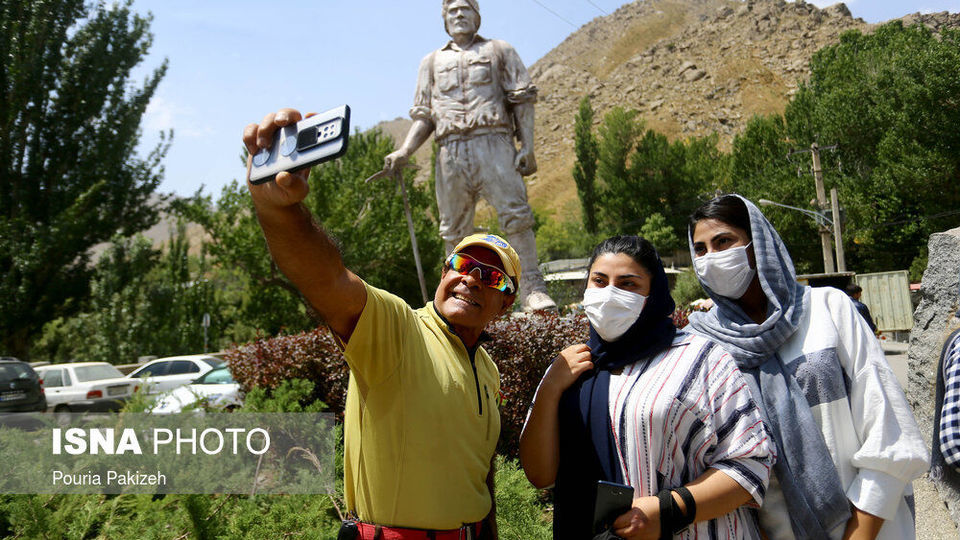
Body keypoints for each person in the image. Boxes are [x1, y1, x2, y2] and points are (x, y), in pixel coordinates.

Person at [243, 108, 522, 539]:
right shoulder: (398, 329)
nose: (470, 278)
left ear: (505, 305)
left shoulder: (487, 368)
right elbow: (329, 280)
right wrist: (279, 211)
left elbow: (478, 474)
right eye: (462, 263)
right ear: (445, 272)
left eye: (491, 276)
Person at [686, 194, 929, 539]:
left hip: (870, 528)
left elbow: (890, 433)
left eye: (723, 241)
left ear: (759, 245)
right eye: (700, 249)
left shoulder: (829, 309)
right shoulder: (703, 344)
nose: (711, 258)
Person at [519, 235, 774, 539]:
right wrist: (550, 388)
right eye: (599, 281)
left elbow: (751, 464)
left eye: (628, 284)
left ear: (653, 294)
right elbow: (540, 474)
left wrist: (668, 511)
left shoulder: (702, 359)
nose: (610, 293)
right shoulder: (570, 367)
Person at [382, 0, 556, 311]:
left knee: (516, 216)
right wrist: (405, 150)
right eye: (452, 11)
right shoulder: (430, 62)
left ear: (477, 16)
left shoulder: (500, 50)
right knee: (454, 228)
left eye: (466, 9)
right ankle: (454, 295)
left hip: (495, 142)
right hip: (450, 151)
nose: (459, 15)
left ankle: (532, 288)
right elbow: (425, 115)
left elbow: (522, 98)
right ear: (444, 20)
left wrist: (527, 146)